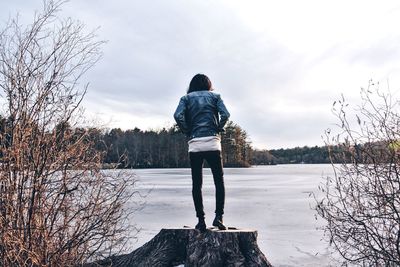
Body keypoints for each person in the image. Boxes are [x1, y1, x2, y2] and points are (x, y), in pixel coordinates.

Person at [174, 74, 230, 232]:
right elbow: (226, 114)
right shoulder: (215, 97)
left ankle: (201, 221)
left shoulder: (185, 99)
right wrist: (218, 127)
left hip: (195, 144)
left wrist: (187, 130)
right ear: (209, 85)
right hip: (213, 142)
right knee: (219, 182)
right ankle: (219, 217)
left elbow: (177, 115)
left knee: (197, 184)